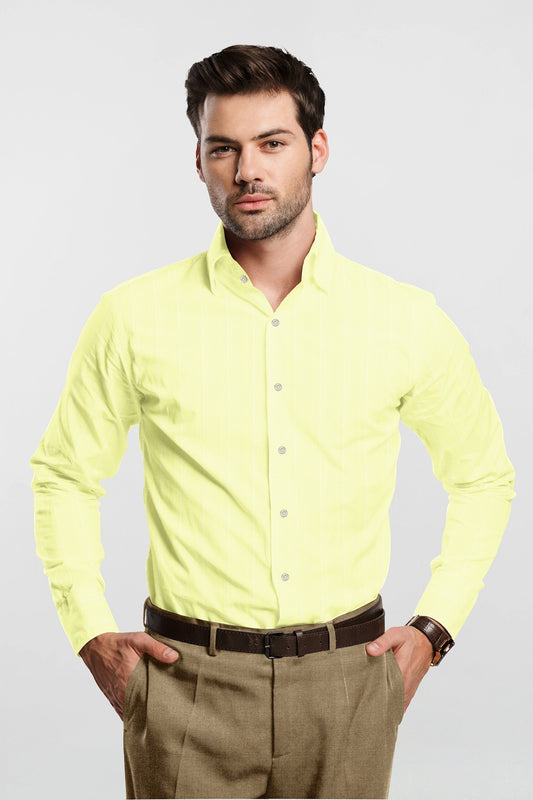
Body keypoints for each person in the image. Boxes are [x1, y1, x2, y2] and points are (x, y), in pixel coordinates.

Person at [29, 44, 515, 800]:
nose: (247, 170)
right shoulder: (133, 317)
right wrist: (90, 631)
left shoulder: (404, 320)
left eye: (272, 143)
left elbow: (482, 476)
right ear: (198, 162)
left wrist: (435, 628)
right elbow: (64, 475)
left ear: (316, 150)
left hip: (349, 681)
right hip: (185, 683)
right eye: (223, 148)